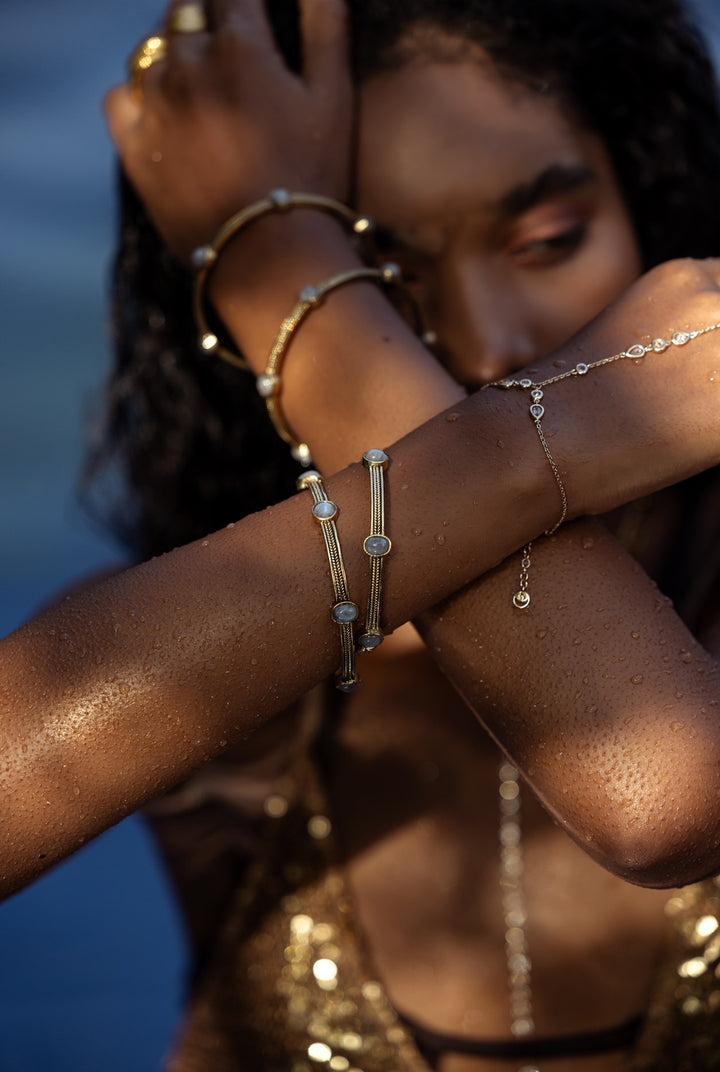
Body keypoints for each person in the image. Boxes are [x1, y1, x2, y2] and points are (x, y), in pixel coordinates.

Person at [4, 0, 720, 1069]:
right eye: (379, 284)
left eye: (546, 242)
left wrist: (283, 261)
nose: (491, 349)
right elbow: (649, 780)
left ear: (654, 208)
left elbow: (655, 786)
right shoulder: (234, 693)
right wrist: (540, 429)